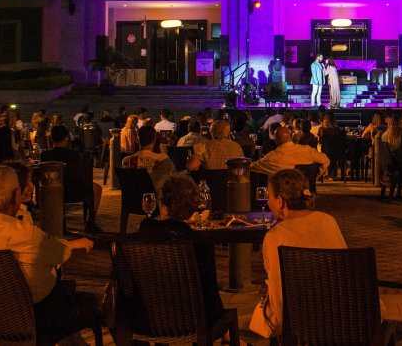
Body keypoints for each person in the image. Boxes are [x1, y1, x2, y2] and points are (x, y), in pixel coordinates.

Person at [0, 165, 98, 338]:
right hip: (35, 317)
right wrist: (70, 244)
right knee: (94, 302)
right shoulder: (25, 233)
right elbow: (58, 254)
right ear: (17, 195)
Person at [118, 173, 225, 327]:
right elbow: (209, 292)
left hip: (148, 320)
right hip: (194, 320)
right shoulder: (197, 241)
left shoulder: (144, 233)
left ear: (164, 207)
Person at [249, 169, 348, 338]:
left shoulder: (275, 235)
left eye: (270, 196)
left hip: (300, 322)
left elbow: (277, 291)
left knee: (257, 318)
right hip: (344, 316)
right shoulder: (328, 221)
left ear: (279, 201)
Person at [41, 124, 102, 233]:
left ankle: (57, 222)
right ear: (66, 138)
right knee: (97, 189)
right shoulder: (74, 155)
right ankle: (89, 221)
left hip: (52, 191)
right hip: (75, 190)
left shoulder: (45, 155)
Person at [251, 126, 330, 176]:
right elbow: (326, 161)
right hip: (305, 192)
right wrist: (315, 176)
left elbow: (252, 167)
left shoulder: (271, 157)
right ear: (291, 137)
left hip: (282, 195)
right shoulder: (308, 150)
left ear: (276, 140)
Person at [121, 125, 174, 192]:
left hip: (134, 198)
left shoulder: (127, 161)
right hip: (156, 198)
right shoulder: (163, 159)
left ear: (137, 140)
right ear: (154, 140)